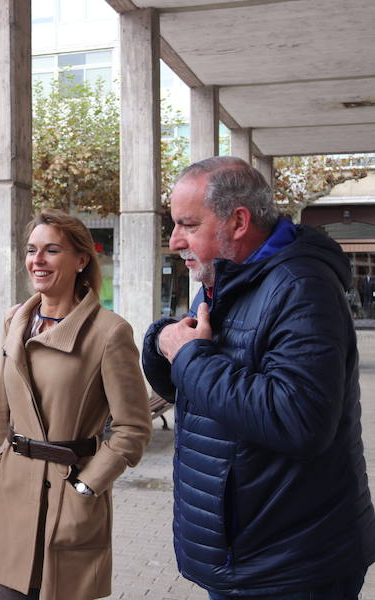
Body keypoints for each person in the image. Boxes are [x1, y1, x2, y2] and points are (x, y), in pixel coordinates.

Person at [142, 156, 375, 599]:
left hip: (291, 567)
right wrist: (162, 343)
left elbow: (299, 420)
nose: (175, 242)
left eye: (188, 225)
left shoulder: (300, 288)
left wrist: (189, 356)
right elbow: (195, 388)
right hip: (246, 556)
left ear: (239, 221)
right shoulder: (225, 278)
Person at [0, 209, 152, 599]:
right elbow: (2, 415)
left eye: (51, 250)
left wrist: (87, 486)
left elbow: (134, 427)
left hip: (67, 493)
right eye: (31, 249)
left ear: (81, 259)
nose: (37, 260)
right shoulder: (13, 322)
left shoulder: (109, 332)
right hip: (12, 495)